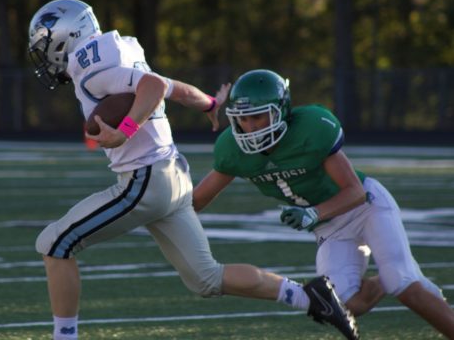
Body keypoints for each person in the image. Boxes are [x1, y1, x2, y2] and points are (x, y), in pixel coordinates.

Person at [28, 0, 359, 340]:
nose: (45, 55)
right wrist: (209, 103)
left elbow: (154, 87)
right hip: (172, 177)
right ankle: (310, 297)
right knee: (207, 279)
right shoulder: (117, 51)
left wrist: (125, 130)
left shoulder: (90, 62)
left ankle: (63, 337)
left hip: (145, 180)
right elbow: (169, 86)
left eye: (45, 45)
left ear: (66, 36)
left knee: (54, 243)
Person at [193, 68, 454, 338]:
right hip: (330, 227)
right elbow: (197, 200)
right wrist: (159, 217)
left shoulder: (311, 128)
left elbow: (355, 192)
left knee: (403, 283)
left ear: (280, 111)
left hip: (366, 209)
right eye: (243, 118)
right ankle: (388, 279)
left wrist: (312, 213)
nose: (250, 126)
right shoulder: (232, 150)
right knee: (342, 305)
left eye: (258, 116)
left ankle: (399, 276)